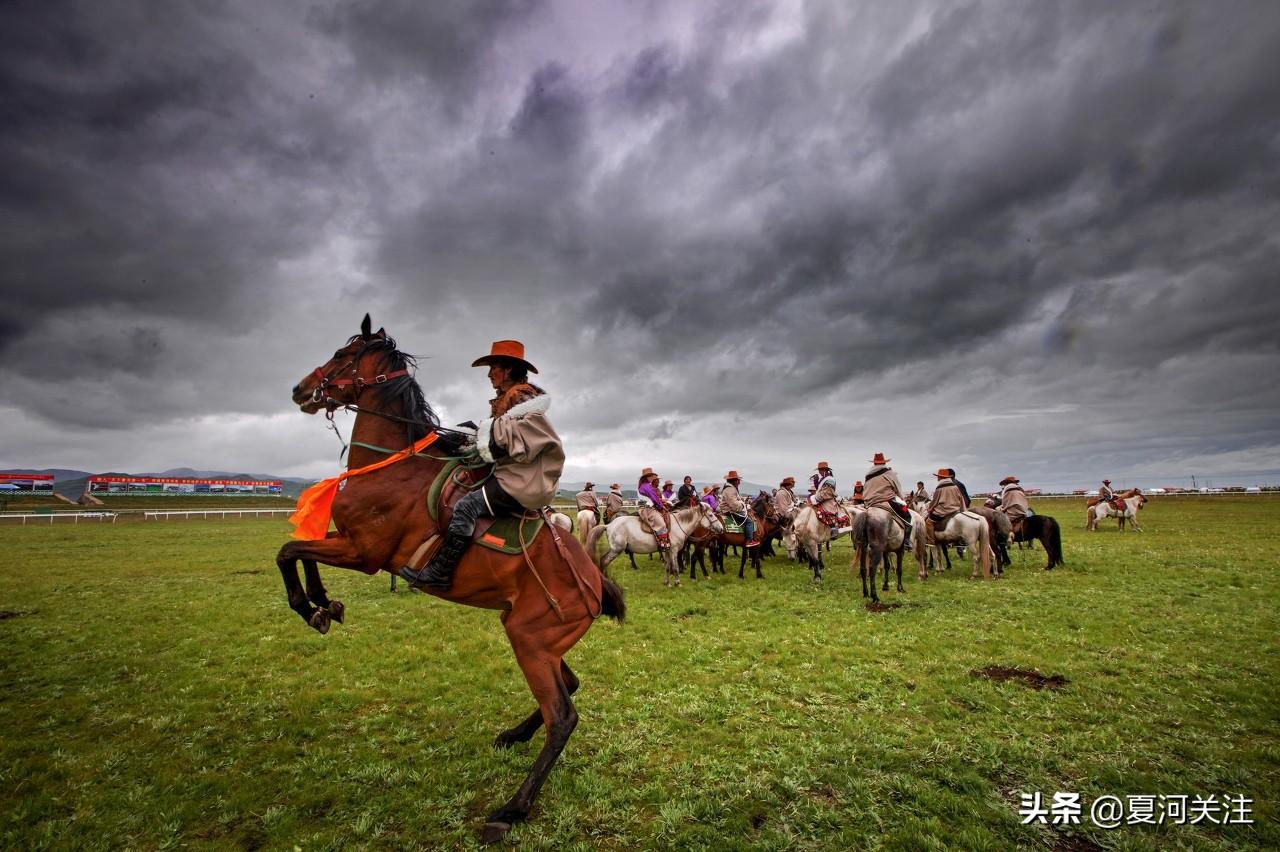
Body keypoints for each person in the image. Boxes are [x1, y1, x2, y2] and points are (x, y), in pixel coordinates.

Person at [400, 340, 563, 589]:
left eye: (493, 368)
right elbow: (500, 438)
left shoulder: (521, 395)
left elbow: (527, 435)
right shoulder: (510, 397)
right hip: (512, 473)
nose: (489, 374)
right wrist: (471, 438)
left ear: (507, 369)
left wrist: (485, 433)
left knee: (466, 507)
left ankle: (441, 572)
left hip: (522, 481)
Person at [863, 452, 912, 547]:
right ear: (884, 463)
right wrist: (901, 497)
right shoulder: (889, 473)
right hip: (889, 500)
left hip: (871, 503)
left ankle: (864, 541)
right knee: (907, 517)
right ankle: (906, 541)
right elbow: (897, 487)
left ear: (874, 463)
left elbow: (865, 490)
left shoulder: (868, 475)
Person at [720, 471, 758, 546]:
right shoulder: (730, 489)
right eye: (738, 480)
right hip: (730, 510)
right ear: (735, 481)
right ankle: (749, 540)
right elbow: (734, 504)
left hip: (728, 509)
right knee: (749, 522)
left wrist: (743, 502)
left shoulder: (730, 488)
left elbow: (736, 500)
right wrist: (744, 505)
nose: (739, 482)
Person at [637, 468, 672, 550]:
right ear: (646, 477)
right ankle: (663, 543)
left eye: (651, 476)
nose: (651, 478)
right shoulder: (647, 486)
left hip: (649, 506)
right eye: (650, 476)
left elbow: (655, 498)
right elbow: (654, 498)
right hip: (649, 509)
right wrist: (661, 506)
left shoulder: (645, 485)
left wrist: (661, 503)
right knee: (662, 524)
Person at [926, 468, 967, 536]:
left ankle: (930, 541)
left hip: (943, 511)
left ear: (941, 477)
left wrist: (930, 508)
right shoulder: (955, 486)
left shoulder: (940, 487)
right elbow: (961, 498)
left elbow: (935, 501)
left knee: (928, 522)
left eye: (938, 476)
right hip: (955, 510)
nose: (937, 478)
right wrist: (963, 510)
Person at [809, 461, 843, 527]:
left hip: (827, 500)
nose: (819, 472)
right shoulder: (822, 478)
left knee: (829, 513)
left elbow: (827, 492)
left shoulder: (830, 479)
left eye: (820, 470)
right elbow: (820, 490)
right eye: (819, 470)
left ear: (825, 470)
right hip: (820, 498)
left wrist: (816, 498)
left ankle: (833, 528)